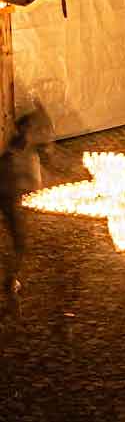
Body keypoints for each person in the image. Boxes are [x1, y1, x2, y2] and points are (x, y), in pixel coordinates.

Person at [0, 113, 41, 312]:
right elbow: (18, 176)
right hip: (9, 198)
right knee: (20, 242)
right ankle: (10, 281)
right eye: (32, 128)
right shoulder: (17, 151)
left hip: (10, 196)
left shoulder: (20, 147)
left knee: (19, 241)